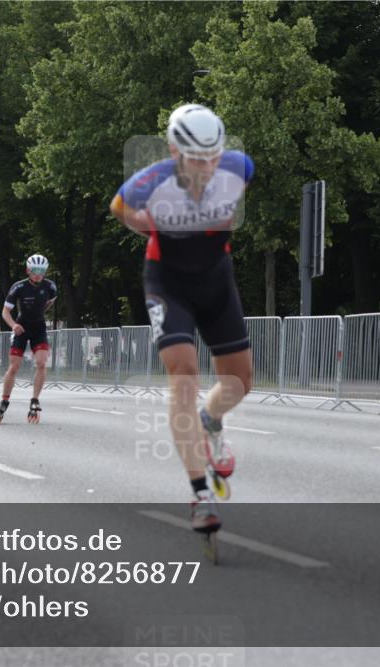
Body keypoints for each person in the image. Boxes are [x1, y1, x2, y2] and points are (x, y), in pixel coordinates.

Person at [110, 103, 254, 535]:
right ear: (175, 150)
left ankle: (211, 420)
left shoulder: (240, 167)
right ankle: (200, 495)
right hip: (168, 282)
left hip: (216, 281)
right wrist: (148, 227)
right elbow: (119, 207)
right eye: (197, 158)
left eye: (214, 156)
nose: (208, 167)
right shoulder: (149, 182)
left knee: (240, 383)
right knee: (184, 375)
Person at [0, 254, 56, 424]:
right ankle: (5, 399)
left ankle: (35, 399)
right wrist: (14, 325)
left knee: (42, 363)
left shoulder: (50, 286)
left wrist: (39, 313)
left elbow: (49, 302)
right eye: (35, 271)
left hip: (38, 328)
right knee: (14, 366)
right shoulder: (18, 287)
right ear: (28, 270)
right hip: (21, 328)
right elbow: (5, 312)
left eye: (42, 271)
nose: (38, 274)